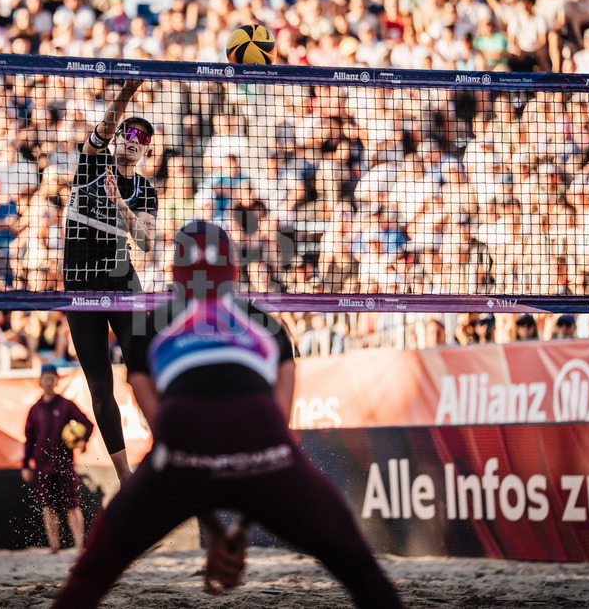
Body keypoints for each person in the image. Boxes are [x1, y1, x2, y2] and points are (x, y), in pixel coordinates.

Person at [53, 221, 403, 608]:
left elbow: (177, 441)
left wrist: (216, 531)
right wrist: (240, 528)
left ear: (174, 272)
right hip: (266, 451)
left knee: (89, 576)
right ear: (233, 269)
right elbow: (275, 432)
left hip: (182, 452)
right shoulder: (269, 325)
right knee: (361, 569)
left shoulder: (146, 329)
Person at [62, 78, 155, 482]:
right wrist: (127, 92)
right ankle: (125, 477)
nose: (135, 140)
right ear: (117, 137)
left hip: (121, 280)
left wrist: (121, 205)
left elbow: (148, 242)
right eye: (129, 133)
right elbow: (103, 129)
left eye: (143, 138)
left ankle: (172, 450)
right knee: (100, 385)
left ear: (147, 150)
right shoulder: (92, 164)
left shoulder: (145, 190)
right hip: (81, 284)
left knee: (144, 370)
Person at [22, 363, 94, 554]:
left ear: (56, 381)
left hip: (64, 464)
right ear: (40, 381)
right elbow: (29, 439)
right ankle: (54, 547)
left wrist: (82, 440)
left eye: (52, 378)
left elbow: (87, 423)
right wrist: (25, 465)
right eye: (45, 378)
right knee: (48, 506)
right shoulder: (35, 409)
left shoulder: (65, 405)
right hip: (42, 465)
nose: (48, 381)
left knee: (72, 505)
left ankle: (80, 546)